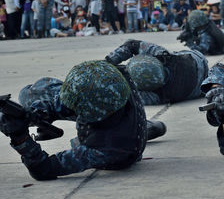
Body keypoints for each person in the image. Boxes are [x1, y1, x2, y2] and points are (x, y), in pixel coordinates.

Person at [0, 60, 166, 180]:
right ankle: (146, 128)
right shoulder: (115, 79)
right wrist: (36, 113)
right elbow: (68, 101)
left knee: (29, 94)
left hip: (118, 145)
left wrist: (21, 138)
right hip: (116, 118)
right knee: (33, 92)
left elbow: (43, 169)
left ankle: (144, 129)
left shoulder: (108, 149)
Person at [105, 39, 208, 105]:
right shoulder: (163, 56)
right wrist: (110, 61)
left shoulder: (157, 96)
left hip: (199, 71)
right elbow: (133, 45)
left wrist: (108, 62)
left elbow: (123, 96)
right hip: (198, 63)